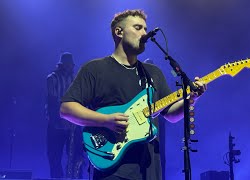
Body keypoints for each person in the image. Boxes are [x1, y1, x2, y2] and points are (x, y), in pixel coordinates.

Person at [60, 9, 207, 180]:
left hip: (150, 169)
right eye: (138, 28)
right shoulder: (95, 69)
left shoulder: (153, 73)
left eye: (145, 28)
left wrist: (191, 100)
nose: (144, 33)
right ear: (119, 32)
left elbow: (171, 116)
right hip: (113, 170)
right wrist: (106, 120)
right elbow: (66, 108)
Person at [45, 52, 84, 179]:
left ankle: (74, 177)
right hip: (57, 124)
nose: (69, 68)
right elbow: (52, 102)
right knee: (54, 156)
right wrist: (61, 120)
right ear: (61, 66)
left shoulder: (76, 79)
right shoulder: (52, 78)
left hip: (74, 123)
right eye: (66, 65)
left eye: (70, 66)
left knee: (77, 155)